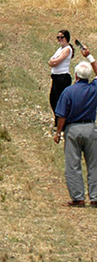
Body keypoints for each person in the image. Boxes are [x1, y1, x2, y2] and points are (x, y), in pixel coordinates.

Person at [53, 61, 97, 206]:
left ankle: (78, 198)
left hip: (72, 129)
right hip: (90, 128)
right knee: (93, 165)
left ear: (76, 75)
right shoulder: (93, 89)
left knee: (73, 164)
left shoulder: (69, 91)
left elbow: (62, 115)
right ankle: (95, 197)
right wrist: (90, 57)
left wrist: (58, 132)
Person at [49, 30, 75, 127]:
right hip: (56, 77)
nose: (60, 39)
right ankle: (58, 120)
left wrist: (53, 62)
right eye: (58, 37)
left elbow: (56, 61)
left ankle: (63, 122)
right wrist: (52, 62)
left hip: (62, 77)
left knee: (60, 100)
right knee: (53, 99)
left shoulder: (67, 49)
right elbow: (51, 61)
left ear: (67, 38)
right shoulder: (60, 49)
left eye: (62, 37)